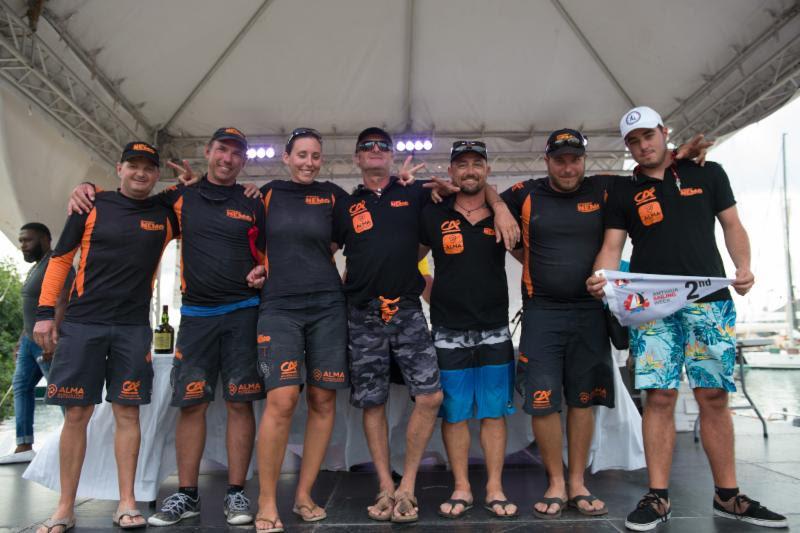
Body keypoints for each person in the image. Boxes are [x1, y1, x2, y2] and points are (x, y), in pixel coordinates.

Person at [587, 106, 787, 530]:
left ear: (664, 133)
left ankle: (728, 495)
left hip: (710, 299)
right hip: (652, 306)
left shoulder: (708, 174)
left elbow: (732, 224)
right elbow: (611, 244)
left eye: (649, 136)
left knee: (714, 396)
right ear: (628, 148)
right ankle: (658, 496)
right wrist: (601, 276)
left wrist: (744, 266)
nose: (643, 146)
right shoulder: (623, 192)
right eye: (634, 141)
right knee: (658, 397)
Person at [69, 127, 267, 527]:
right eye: (221, 151)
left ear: (244, 161)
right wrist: (86, 188)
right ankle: (187, 495)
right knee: (190, 403)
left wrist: (266, 269)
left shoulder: (255, 200)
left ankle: (236, 495)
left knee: (239, 403)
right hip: (195, 316)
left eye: (236, 154)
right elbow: (130, 205)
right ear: (207, 152)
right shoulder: (178, 199)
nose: (228, 159)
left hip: (245, 312)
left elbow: (270, 251)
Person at [331, 127, 518, 523]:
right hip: (363, 313)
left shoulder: (417, 195)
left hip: (410, 311)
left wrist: (499, 204)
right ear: (357, 158)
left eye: (383, 146)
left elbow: (472, 187)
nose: (376, 151)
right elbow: (320, 248)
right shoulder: (343, 205)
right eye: (367, 147)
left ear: (393, 155)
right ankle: (386, 486)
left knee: (432, 398)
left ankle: (409, 485)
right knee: (373, 401)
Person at [32, 142, 176, 532]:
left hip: (132, 327)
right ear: (119, 168)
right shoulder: (91, 204)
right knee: (77, 414)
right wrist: (45, 314)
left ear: (156, 174)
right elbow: (61, 258)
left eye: (149, 167)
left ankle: (126, 502)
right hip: (83, 324)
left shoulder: (165, 213)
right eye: (133, 165)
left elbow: (200, 198)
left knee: (127, 412)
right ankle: (64, 507)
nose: (140, 173)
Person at [501, 129, 616, 520]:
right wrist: (501, 210)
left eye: (575, 159)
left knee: (582, 399)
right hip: (542, 313)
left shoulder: (603, 190)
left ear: (585, 160)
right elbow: (485, 195)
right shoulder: (526, 193)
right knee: (543, 401)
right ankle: (554, 481)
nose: (568, 167)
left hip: (590, 312)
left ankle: (578, 482)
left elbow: (651, 174)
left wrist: (681, 156)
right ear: (547, 161)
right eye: (560, 159)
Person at [249, 128, 349, 532]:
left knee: (323, 401)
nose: (309, 162)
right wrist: (254, 265)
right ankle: (268, 500)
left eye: (315, 156)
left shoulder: (333, 196)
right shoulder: (266, 194)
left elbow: (355, 235)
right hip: (279, 308)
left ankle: (304, 494)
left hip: (327, 306)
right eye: (301, 155)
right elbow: (239, 234)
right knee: (283, 400)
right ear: (286, 157)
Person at [419, 140, 518, 519]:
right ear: (452, 172)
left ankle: (494, 488)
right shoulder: (433, 213)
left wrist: (501, 207)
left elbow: (527, 257)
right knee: (456, 414)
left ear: (487, 170)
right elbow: (409, 262)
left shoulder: (502, 212)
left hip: (494, 327)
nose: (470, 170)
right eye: (462, 164)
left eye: (478, 163)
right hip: (448, 330)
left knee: (493, 412)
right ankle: (461, 487)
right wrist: (434, 294)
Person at [0, 223, 71, 465]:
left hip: (47, 341)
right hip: (29, 342)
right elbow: (31, 308)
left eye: (27, 240)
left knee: (59, 392)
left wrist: (54, 337)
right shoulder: (35, 268)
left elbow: (63, 300)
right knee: (21, 387)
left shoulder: (57, 263)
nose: (22, 245)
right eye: (20, 241)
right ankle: (24, 445)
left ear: (44, 239)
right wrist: (21, 337)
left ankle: (74, 445)